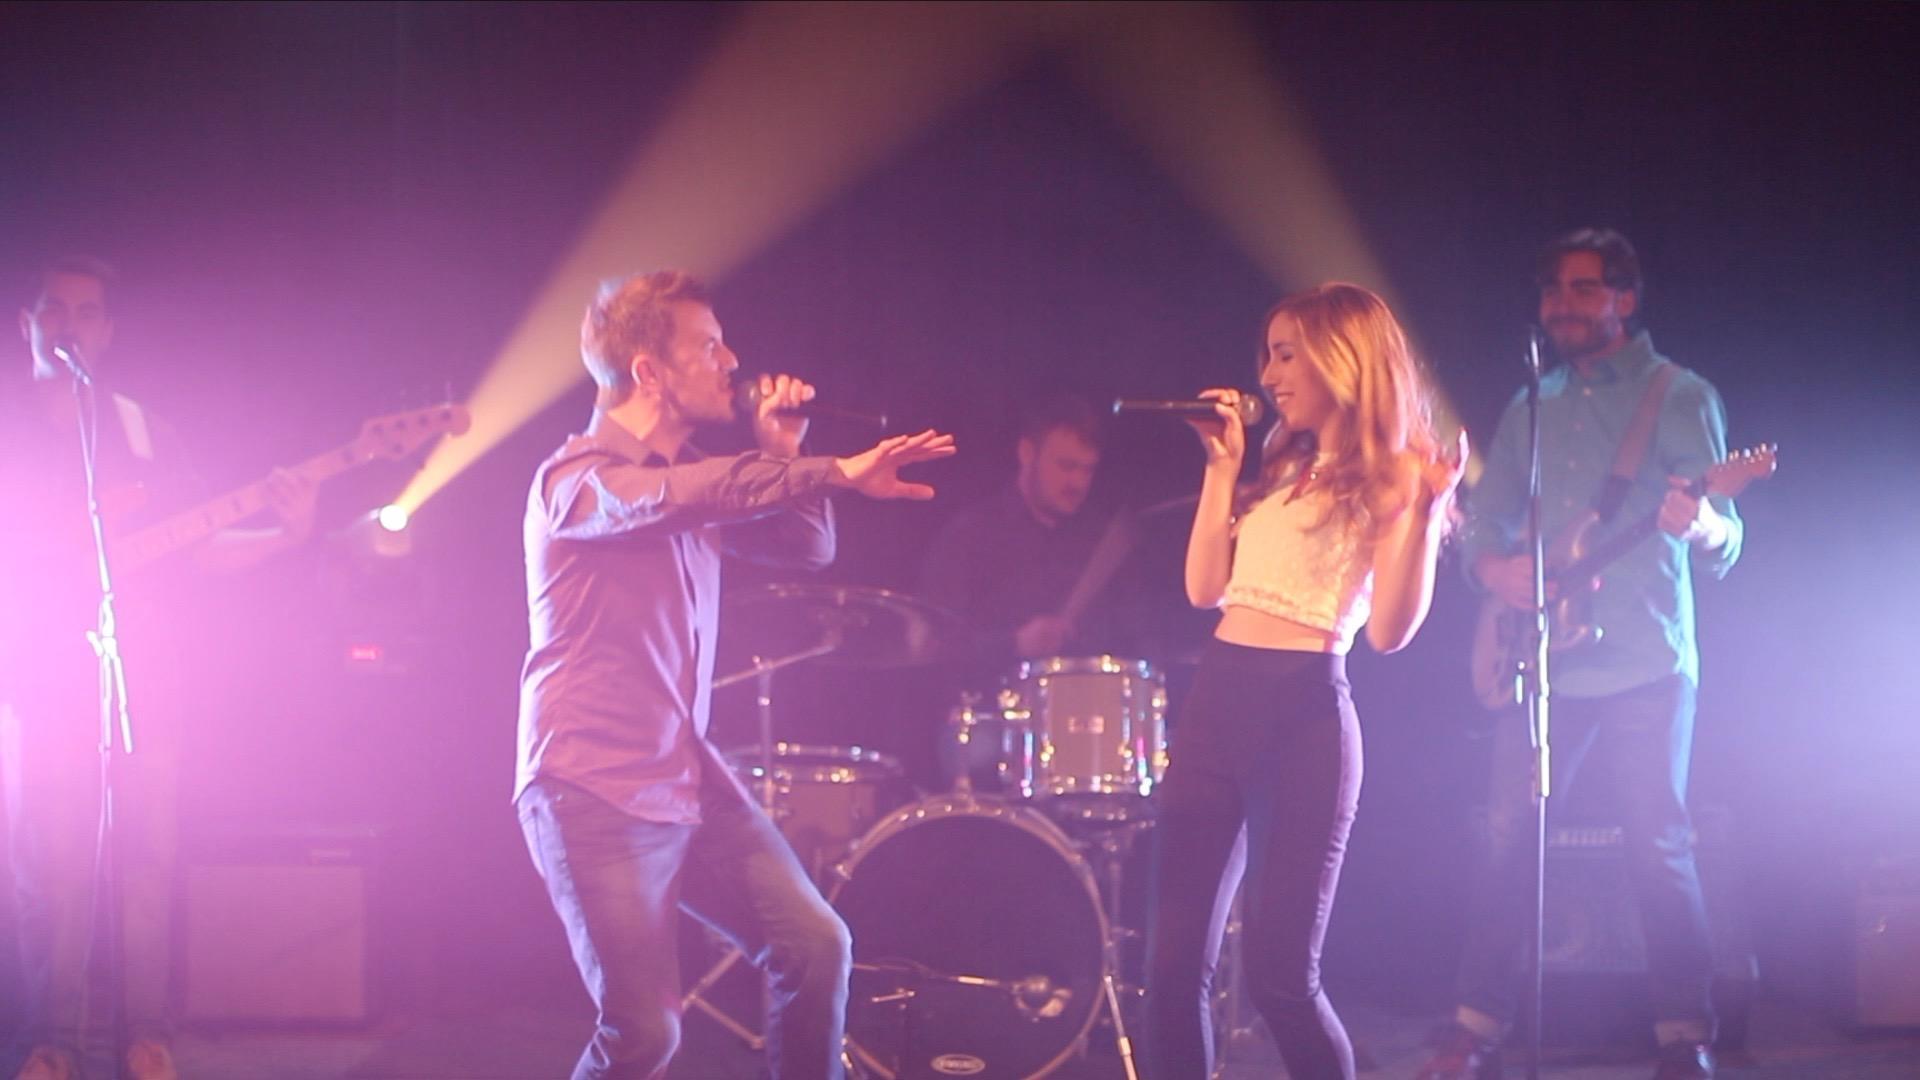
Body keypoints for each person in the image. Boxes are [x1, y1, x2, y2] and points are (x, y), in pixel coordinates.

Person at [515, 270, 955, 1080]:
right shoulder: (576, 483)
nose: (732, 361)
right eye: (710, 347)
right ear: (649, 372)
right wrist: (832, 471)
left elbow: (805, 549)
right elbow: (677, 496)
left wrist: (784, 454)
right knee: (645, 1035)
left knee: (815, 947)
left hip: (684, 777)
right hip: (591, 788)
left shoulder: (690, 482)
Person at [1414, 229, 1742, 1080]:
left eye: (1584, 288)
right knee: (1505, 839)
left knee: (1658, 848)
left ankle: (1684, 1033)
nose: (1562, 303)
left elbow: (1727, 538)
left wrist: (1703, 521)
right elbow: (1486, 519)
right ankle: (1475, 1026)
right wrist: (1492, 568)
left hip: (1644, 661)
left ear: (1625, 299)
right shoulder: (1532, 403)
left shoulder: (1679, 396)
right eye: (1553, 289)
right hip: (1541, 664)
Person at [0, 256, 317, 1080]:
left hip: (146, 686)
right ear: (27, 323)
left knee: (147, 863)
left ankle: (146, 1036)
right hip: (40, 684)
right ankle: (51, 1043)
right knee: (54, 875)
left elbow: (201, 547)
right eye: (54, 309)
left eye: (87, 312)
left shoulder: (143, 432)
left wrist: (285, 531)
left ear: (106, 331)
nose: (70, 325)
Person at [1144, 283, 1465, 1079]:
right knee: (1173, 971)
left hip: (1304, 722)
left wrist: (1426, 517)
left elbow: (1390, 632)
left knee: (1280, 978)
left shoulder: (1397, 476)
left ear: (1341, 358)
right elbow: (1204, 588)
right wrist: (1222, 469)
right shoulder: (1283, 465)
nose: (1268, 375)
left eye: (1287, 355)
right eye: (1269, 355)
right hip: (1216, 705)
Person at [919, 393, 1137, 673]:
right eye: (1066, 466)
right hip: (991, 694)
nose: (1078, 483)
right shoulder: (970, 537)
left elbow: (1136, 639)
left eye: (1087, 470)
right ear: (1027, 453)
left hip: (1089, 697)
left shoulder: (1098, 538)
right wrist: (1014, 644)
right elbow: (933, 644)